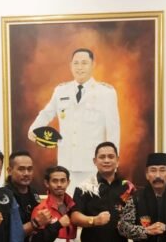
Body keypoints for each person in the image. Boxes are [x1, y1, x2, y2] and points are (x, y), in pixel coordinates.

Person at [28, 48, 120, 184]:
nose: (79, 67)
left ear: (93, 65)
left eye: (84, 63)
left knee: (93, 198)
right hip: (66, 164)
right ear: (70, 66)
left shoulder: (106, 93)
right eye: (76, 63)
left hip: (93, 166)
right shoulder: (61, 90)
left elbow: (113, 130)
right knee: (66, 198)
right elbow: (46, 113)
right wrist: (33, 130)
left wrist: (113, 165)